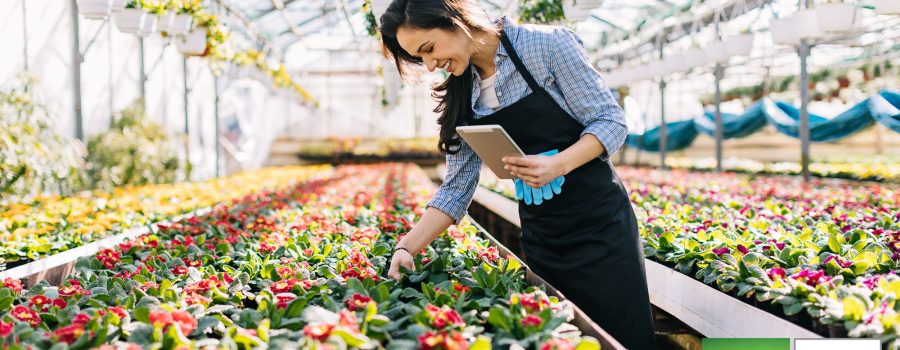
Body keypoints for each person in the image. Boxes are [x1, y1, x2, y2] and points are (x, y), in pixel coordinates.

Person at [378, 0, 657, 348]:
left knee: (624, 335)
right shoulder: (461, 90)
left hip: (601, 227)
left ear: (454, 20)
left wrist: (559, 164)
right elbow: (456, 189)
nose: (431, 64)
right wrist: (407, 247)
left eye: (429, 49)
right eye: (421, 59)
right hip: (543, 237)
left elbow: (610, 121)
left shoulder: (546, 46)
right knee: (563, 338)